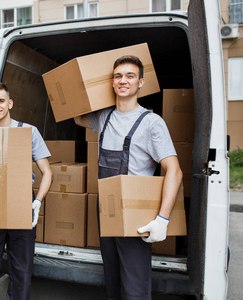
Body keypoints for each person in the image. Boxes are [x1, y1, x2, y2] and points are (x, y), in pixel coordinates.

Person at [74, 55, 183, 299]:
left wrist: (162, 219)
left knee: (134, 287)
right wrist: (86, 89)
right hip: (107, 209)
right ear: (112, 83)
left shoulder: (151, 123)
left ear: (141, 82)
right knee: (112, 279)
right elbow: (77, 117)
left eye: (130, 76)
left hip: (136, 215)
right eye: (118, 76)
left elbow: (174, 170)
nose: (123, 81)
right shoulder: (104, 117)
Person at [0, 82, 53, 300]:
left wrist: (38, 202)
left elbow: (47, 171)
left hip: (22, 205)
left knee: (22, 269)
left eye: (0, 101)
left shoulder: (28, 132)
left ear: (10, 103)